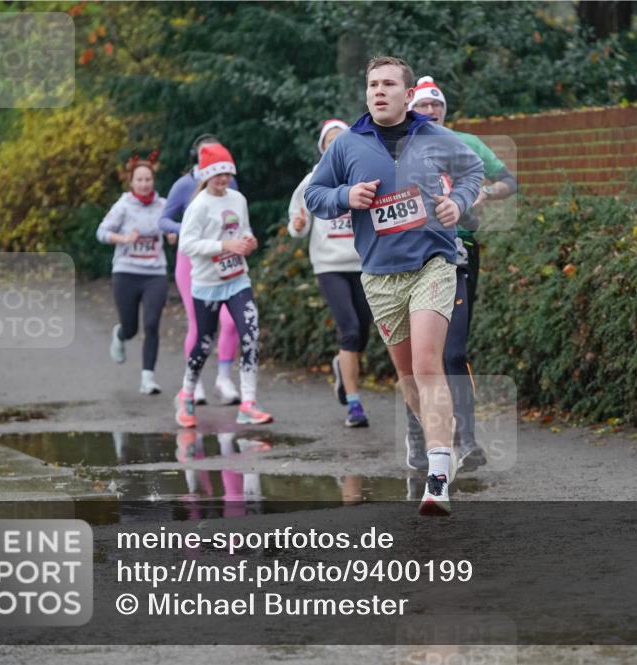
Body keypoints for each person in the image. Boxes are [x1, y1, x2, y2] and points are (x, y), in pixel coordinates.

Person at [304, 56, 484, 515]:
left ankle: (439, 474)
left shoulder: (436, 137)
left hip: (433, 263)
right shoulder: (347, 146)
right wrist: (346, 196)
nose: (379, 91)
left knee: (428, 363)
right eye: (372, 84)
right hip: (381, 275)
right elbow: (314, 194)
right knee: (407, 378)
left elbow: (472, 173)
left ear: (407, 94)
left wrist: (456, 204)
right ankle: (438, 447)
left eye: (388, 84)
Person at [404, 76, 519, 472]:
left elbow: (509, 180)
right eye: (422, 106)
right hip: (409, 256)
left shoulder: (466, 144)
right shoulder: (396, 147)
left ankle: (467, 441)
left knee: (453, 351)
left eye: (436, 106)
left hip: (459, 251)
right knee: (418, 356)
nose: (430, 112)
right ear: (409, 109)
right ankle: (419, 436)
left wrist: (484, 193)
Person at [176, 143, 273, 427]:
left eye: (228, 174)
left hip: (237, 279)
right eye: (218, 175)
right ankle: (187, 396)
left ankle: (248, 403)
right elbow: (187, 244)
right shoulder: (198, 206)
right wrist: (224, 245)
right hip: (207, 283)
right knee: (204, 343)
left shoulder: (238, 199)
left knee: (250, 333)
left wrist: (248, 241)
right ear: (206, 176)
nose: (223, 180)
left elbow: (242, 229)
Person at [288, 119, 372, 428]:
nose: (336, 145)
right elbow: (298, 220)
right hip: (329, 265)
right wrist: (297, 226)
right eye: (330, 141)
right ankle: (354, 405)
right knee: (349, 330)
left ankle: (342, 365)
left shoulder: (362, 176)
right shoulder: (313, 179)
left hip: (363, 264)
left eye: (342, 140)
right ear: (323, 147)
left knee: (362, 331)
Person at [159, 134, 242, 406]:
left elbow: (237, 219)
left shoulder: (229, 181)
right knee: (198, 323)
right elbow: (164, 220)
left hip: (226, 258)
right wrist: (186, 231)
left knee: (230, 322)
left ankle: (224, 378)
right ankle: (192, 385)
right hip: (193, 260)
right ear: (197, 156)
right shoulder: (184, 185)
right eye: (206, 153)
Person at [96, 151, 168, 395]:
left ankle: (148, 378)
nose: (144, 184)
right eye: (140, 180)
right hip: (126, 272)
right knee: (131, 328)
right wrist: (125, 238)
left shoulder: (163, 205)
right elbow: (102, 232)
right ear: (132, 182)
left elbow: (177, 229)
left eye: (148, 179)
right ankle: (120, 333)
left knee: (151, 324)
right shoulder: (123, 205)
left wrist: (173, 234)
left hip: (155, 273)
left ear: (153, 181)